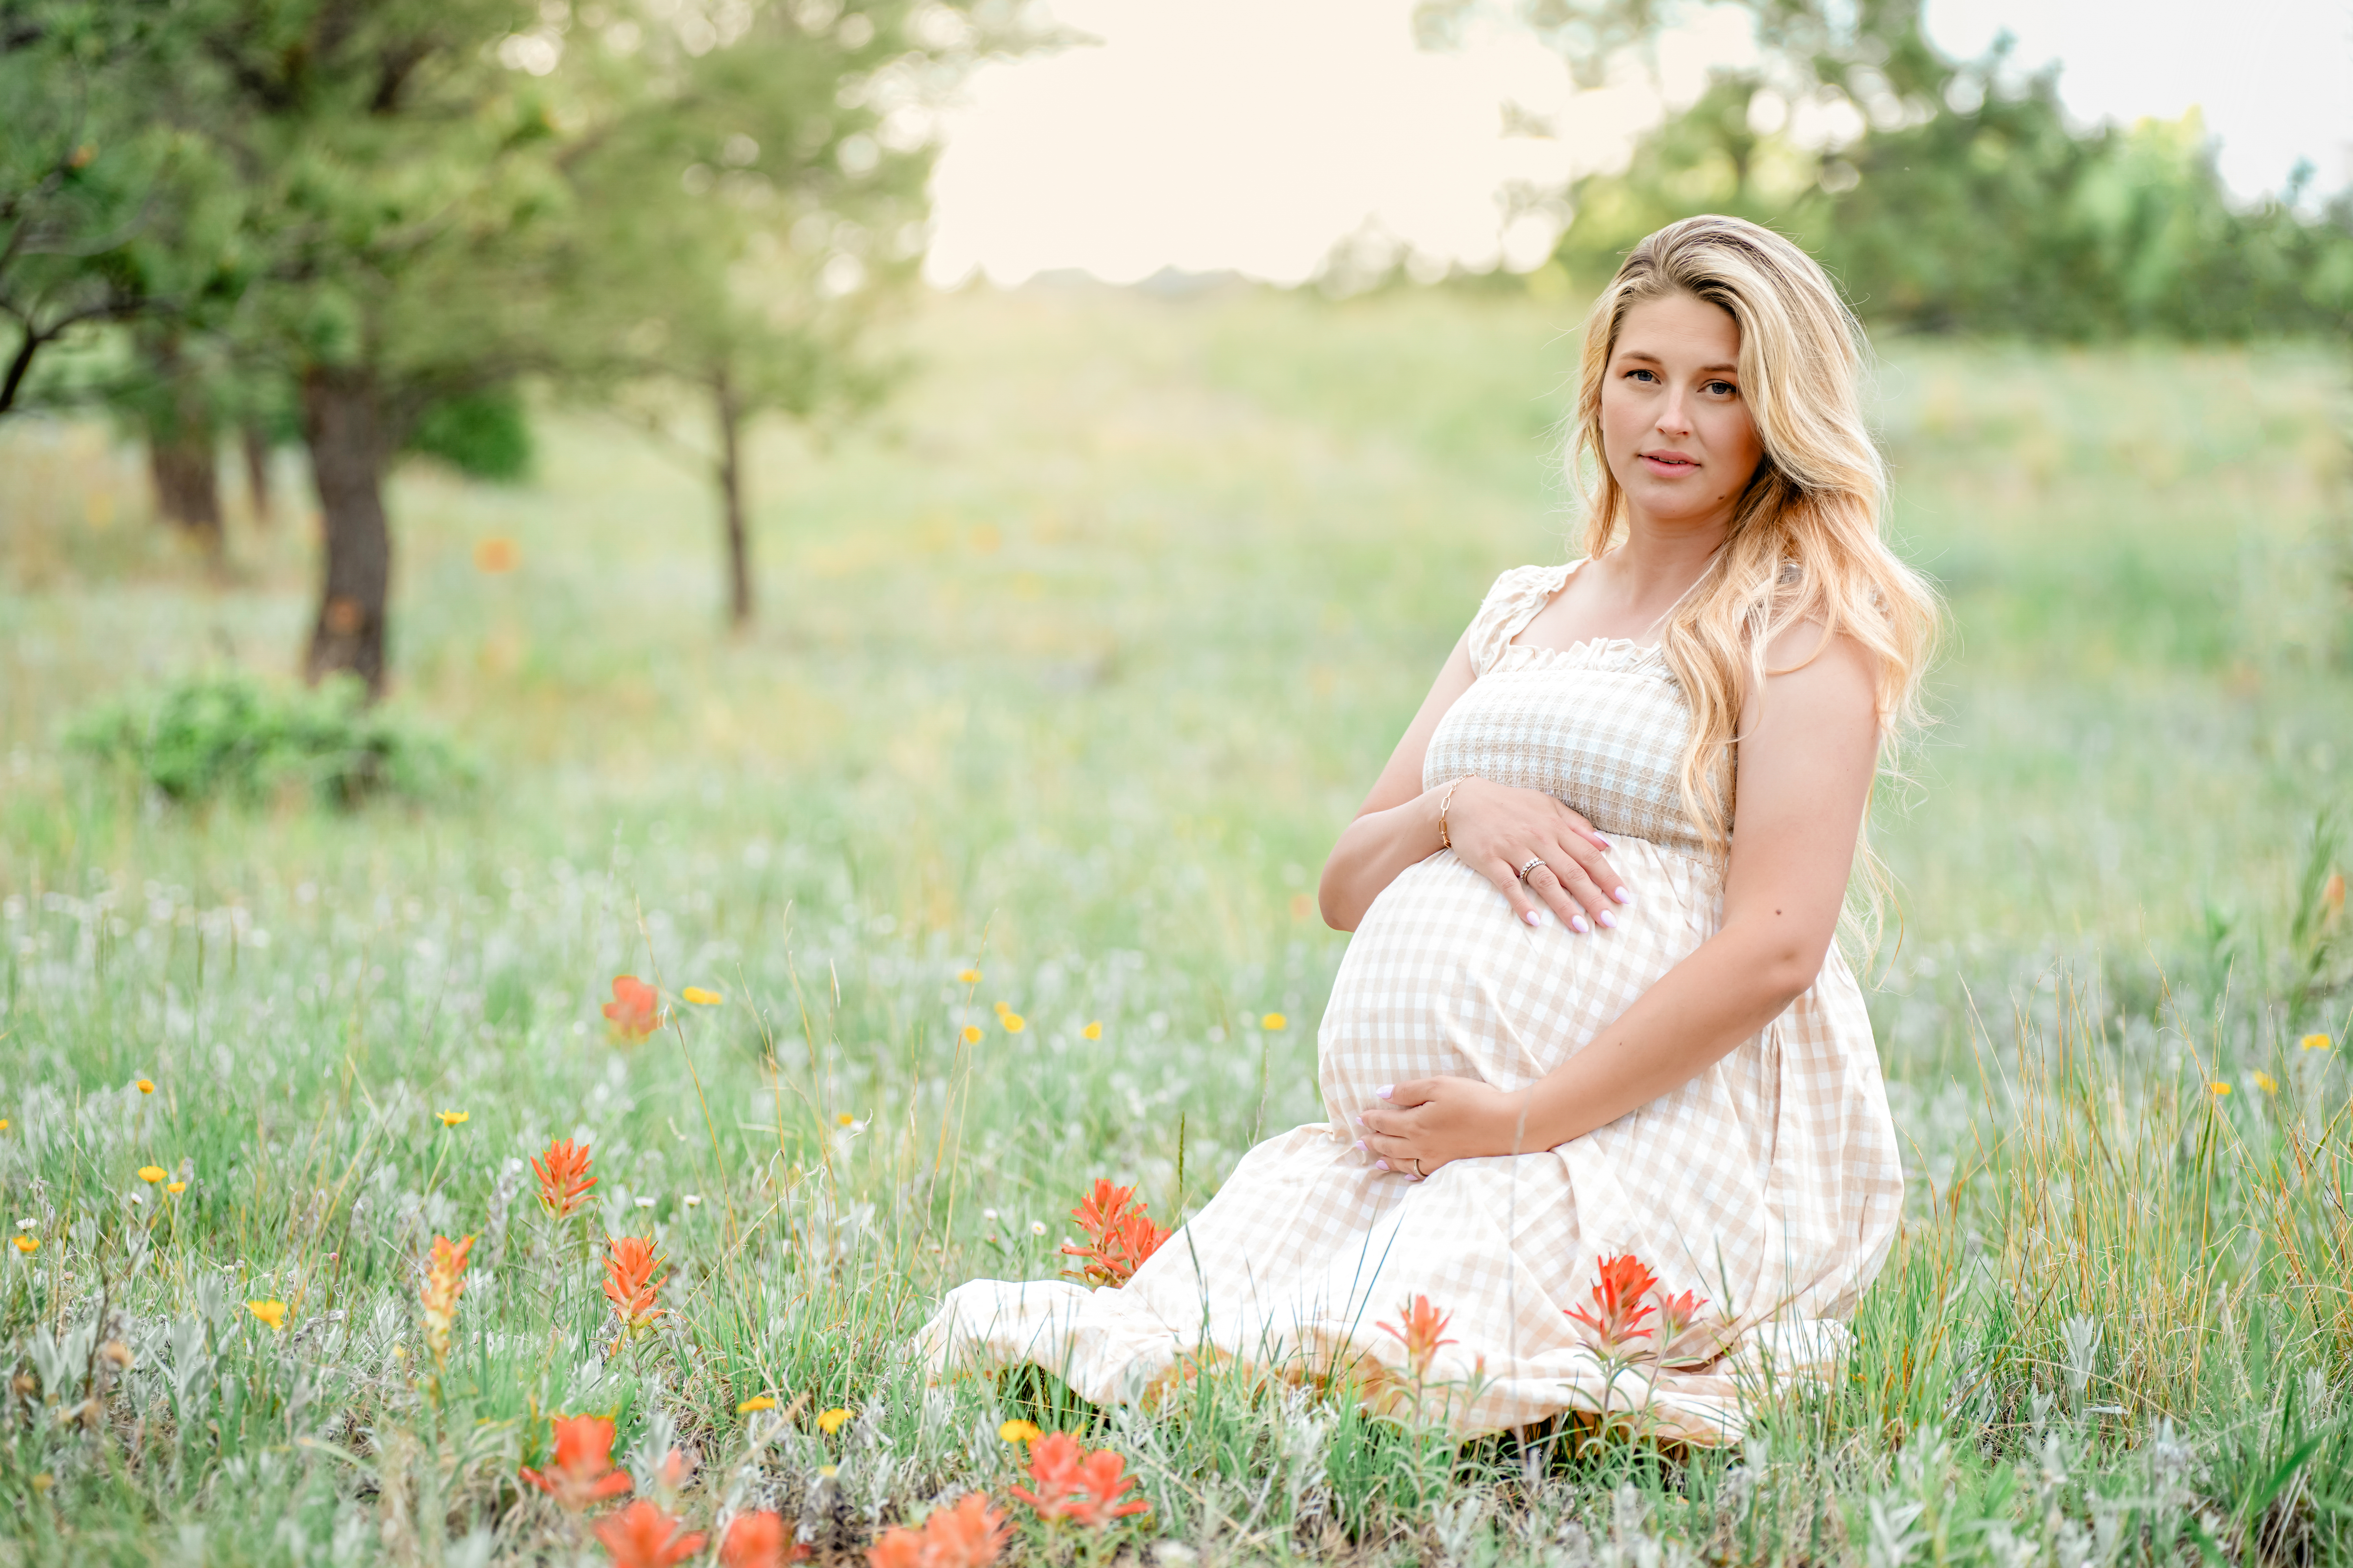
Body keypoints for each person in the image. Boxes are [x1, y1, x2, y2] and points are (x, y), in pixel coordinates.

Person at [919, 215, 1939, 1443]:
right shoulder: (1525, 608)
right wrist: (1456, 807)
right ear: (1598, 388)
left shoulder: (1794, 620)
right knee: (1183, 1345)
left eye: (1720, 388)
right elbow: (1347, 879)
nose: (1671, 420)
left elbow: (1778, 946)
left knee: (1368, 1362)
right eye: (1642, 376)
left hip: (1637, 1134)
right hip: (1416, 1146)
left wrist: (1522, 1117)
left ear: (1778, 409)